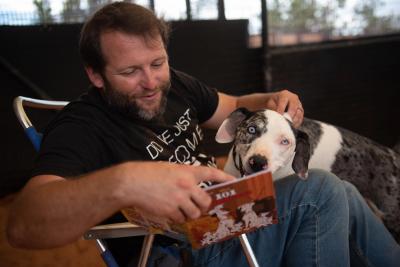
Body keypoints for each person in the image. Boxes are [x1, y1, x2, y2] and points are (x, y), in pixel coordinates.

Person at [6, 2, 400, 267]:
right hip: (184, 249)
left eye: (157, 63)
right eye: (130, 72)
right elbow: (23, 225)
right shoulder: (81, 126)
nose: (150, 82)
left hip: (224, 219)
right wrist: (125, 181)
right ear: (95, 75)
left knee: (345, 194)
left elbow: (233, 107)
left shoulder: (173, 84)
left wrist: (272, 98)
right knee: (321, 191)